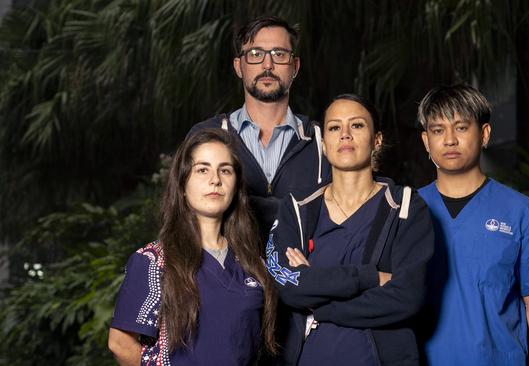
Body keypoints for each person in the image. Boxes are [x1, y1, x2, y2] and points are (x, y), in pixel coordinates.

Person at [266, 94, 435, 366]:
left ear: (376, 140)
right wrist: (369, 277)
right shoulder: (298, 208)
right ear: (323, 144)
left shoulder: (405, 207)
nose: (344, 134)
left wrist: (319, 302)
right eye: (334, 127)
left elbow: (407, 297)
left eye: (357, 125)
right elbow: (286, 285)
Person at [416, 84, 529, 365]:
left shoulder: (520, 212)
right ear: (426, 141)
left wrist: (512, 358)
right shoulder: (407, 209)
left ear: (484, 134)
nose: (449, 140)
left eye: (461, 127)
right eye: (437, 130)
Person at [108, 128, 276, 365]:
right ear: (183, 185)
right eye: (202, 169)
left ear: (236, 186)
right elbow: (120, 343)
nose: (215, 180)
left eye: (225, 170)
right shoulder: (154, 260)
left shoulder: (253, 263)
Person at [188, 16, 330, 237]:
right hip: (225, 270)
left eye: (279, 54)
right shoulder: (206, 136)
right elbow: (181, 214)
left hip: (305, 271)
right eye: (255, 54)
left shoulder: (324, 141)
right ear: (239, 66)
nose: (267, 65)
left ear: (295, 66)